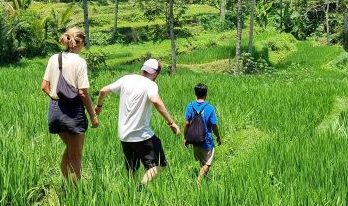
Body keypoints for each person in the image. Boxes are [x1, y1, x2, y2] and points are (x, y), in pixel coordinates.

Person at [95, 58, 181, 188]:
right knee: (160, 164)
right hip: (141, 135)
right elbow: (156, 101)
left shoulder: (126, 79)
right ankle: (141, 188)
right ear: (156, 73)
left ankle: (131, 195)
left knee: (132, 169)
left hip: (124, 135)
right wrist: (171, 123)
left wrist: (99, 106)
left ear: (143, 69)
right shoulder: (150, 85)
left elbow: (103, 91)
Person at [41, 27, 99, 181]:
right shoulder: (80, 62)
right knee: (75, 157)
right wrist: (93, 116)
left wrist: (58, 97)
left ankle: (67, 187)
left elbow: (44, 87)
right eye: (83, 43)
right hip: (73, 111)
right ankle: (74, 195)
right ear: (79, 43)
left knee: (70, 150)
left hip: (54, 110)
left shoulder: (54, 58)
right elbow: (82, 93)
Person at [183, 83, 222, 186]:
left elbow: (187, 124)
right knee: (208, 164)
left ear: (195, 93)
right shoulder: (209, 108)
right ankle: (198, 182)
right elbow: (214, 125)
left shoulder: (190, 106)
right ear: (206, 94)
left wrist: (185, 138)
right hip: (206, 141)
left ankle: (201, 179)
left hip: (194, 141)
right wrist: (218, 137)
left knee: (202, 162)